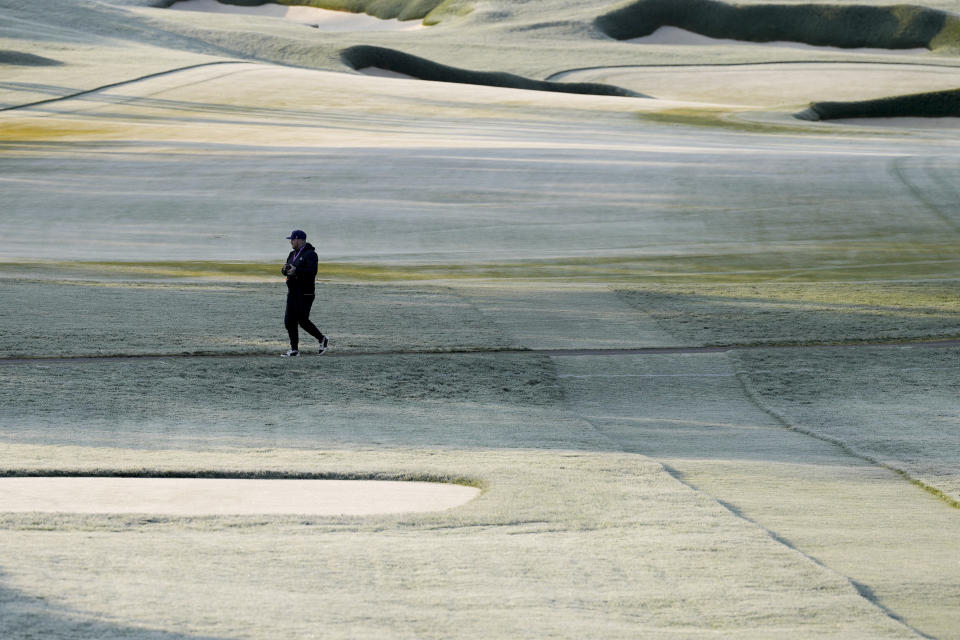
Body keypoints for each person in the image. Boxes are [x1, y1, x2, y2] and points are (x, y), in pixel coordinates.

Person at [280, 229, 328, 357]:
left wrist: (297, 270)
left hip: (305, 292)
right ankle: (294, 350)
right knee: (289, 321)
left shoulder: (311, 254)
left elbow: (313, 271)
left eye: (292, 239)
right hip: (292, 292)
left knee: (302, 320)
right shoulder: (292, 254)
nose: (291, 242)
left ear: (299, 240)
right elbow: (286, 270)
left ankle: (322, 339)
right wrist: (285, 270)